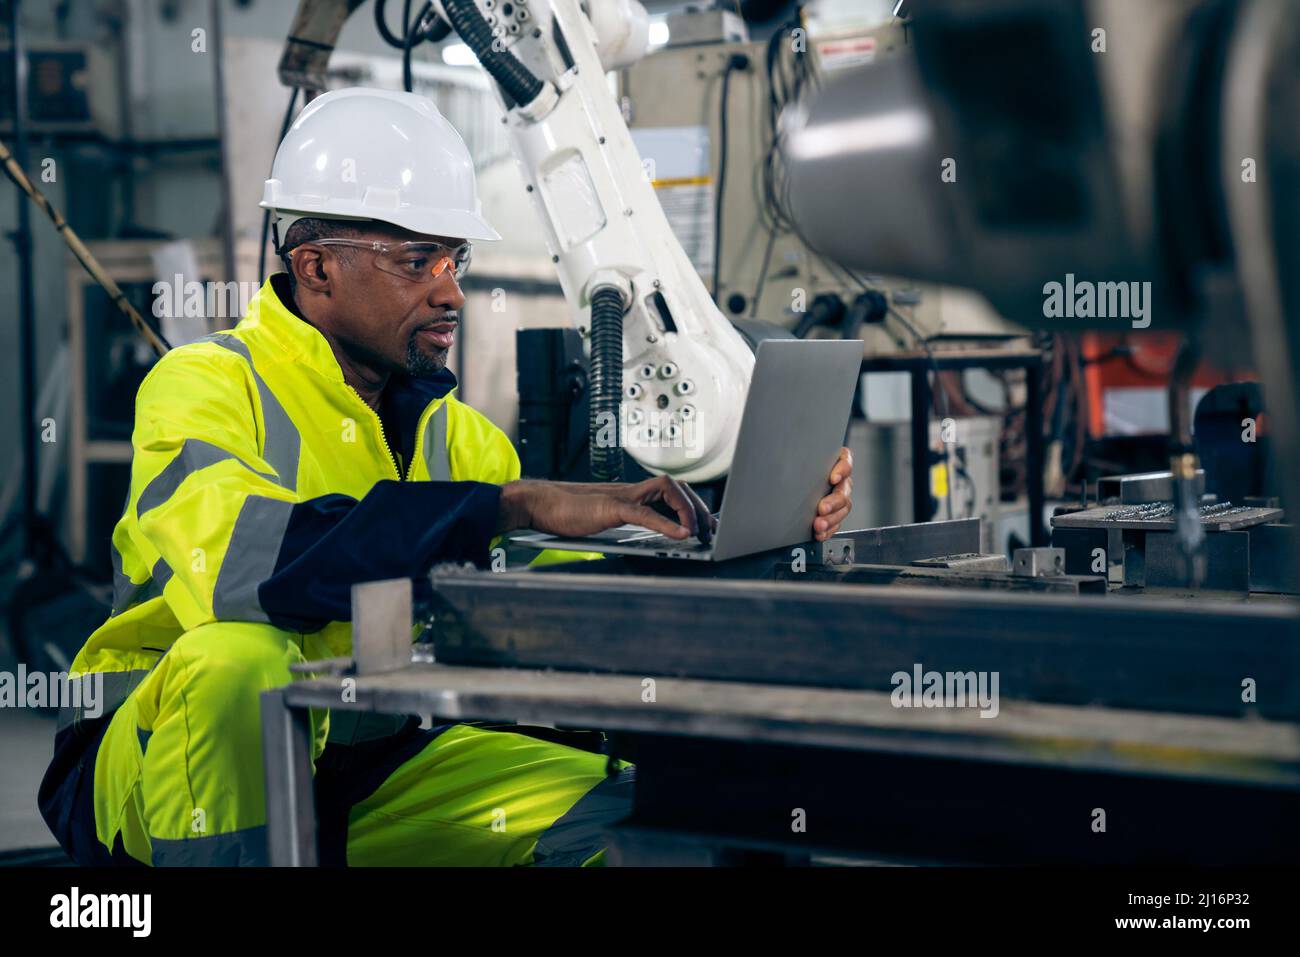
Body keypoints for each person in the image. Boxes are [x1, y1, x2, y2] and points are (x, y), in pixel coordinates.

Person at [38, 88, 854, 866]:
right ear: (317, 267)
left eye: (455, 260)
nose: (452, 291)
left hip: (380, 764)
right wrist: (508, 505)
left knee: (637, 819)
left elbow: (552, 602)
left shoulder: (456, 435)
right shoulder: (203, 385)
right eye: (418, 260)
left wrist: (714, 520)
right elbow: (240, 570)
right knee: (238, 663)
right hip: (161, 771)